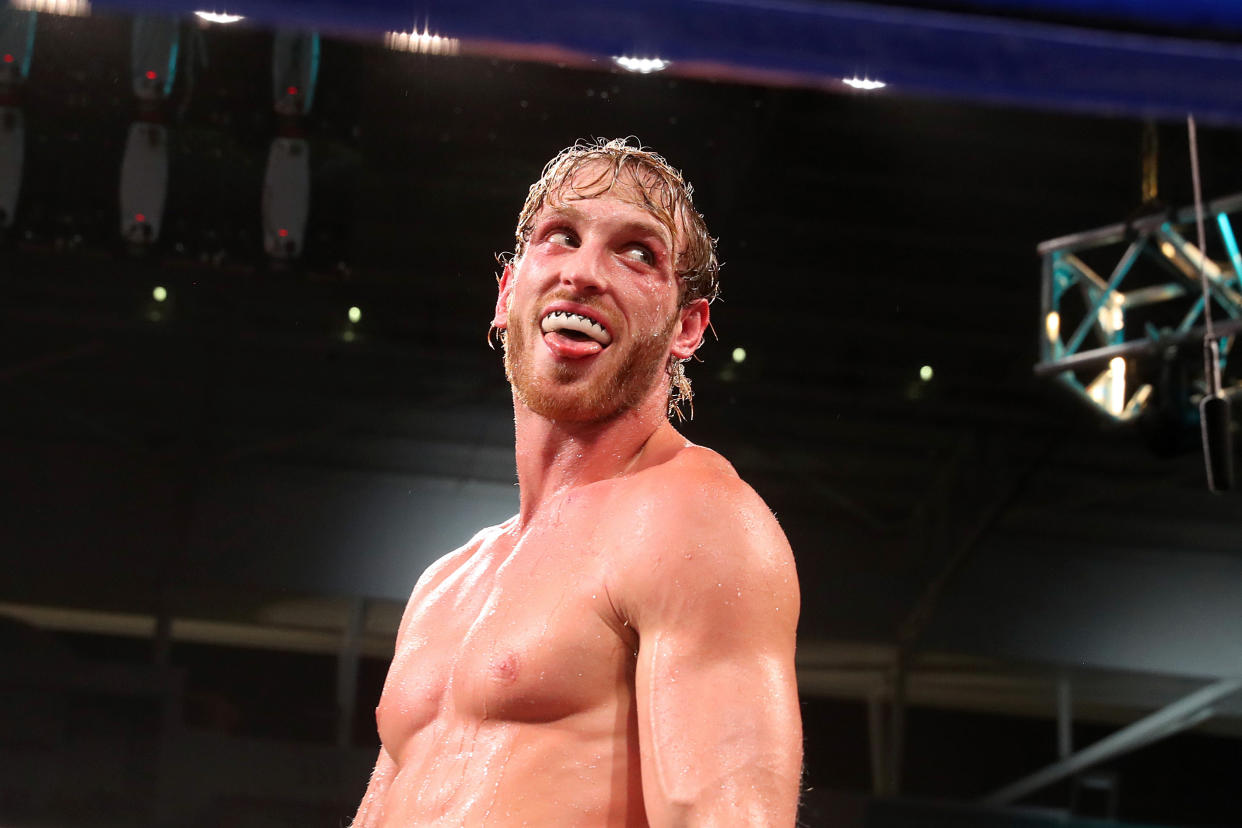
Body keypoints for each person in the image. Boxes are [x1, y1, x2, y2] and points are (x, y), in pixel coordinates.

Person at [352, 138, 802, 826]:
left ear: (687, 326)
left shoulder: (693, 517)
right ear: (507, 293)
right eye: (560, 237)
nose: (584, 273)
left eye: (637, 253)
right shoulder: (445, 584)